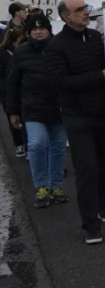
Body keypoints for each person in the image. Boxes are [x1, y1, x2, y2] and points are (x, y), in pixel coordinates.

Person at [46, 0, 105, 244]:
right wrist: (99, 76)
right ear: (66, 16)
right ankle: (90, 224)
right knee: (86, 168)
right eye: (80, 9)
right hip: (77, 117)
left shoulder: (97, 39)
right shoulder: (56, 46)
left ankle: (102, 203)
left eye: (86, 8)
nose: (87, 12)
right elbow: (60, 82)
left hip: (104, 114)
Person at [6, 14, 69, 208]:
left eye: (42, 29)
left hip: (58, 108)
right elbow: (12, 84)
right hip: (32, 109)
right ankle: (41, 187)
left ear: (49, 30)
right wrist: (13, 112)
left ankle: (56, 187)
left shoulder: (59, 49)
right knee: (37, 145)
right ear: (29, 32)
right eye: (34, 29)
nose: (38, 32)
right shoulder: (21, 52)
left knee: (58, 147)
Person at [1, 26, 28, 157]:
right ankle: (18, 143)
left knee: (26, 116)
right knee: (13, 116)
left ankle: (28, 145)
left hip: (23, 89)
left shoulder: (26, 51)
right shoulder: (2, 52)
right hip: (6, 90)